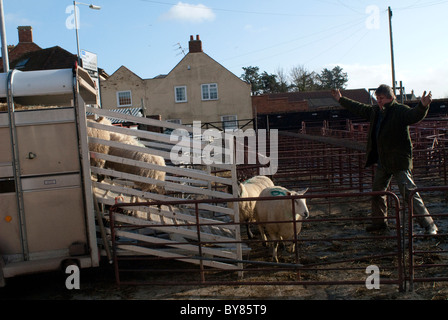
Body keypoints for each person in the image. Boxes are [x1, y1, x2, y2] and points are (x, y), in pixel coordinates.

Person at [331, 84, 438, 234]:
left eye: (381, 98)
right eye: (377, 99)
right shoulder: (376, 111)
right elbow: (359, 107)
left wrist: (422, 106)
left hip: (399, 161)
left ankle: (429, 225)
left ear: (390, 97)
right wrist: (341, 99)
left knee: (409, 192)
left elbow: (414, 115)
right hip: (383, 161)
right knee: (377, 192)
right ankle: (379, 223)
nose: (378, 101)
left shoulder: (399, 110)